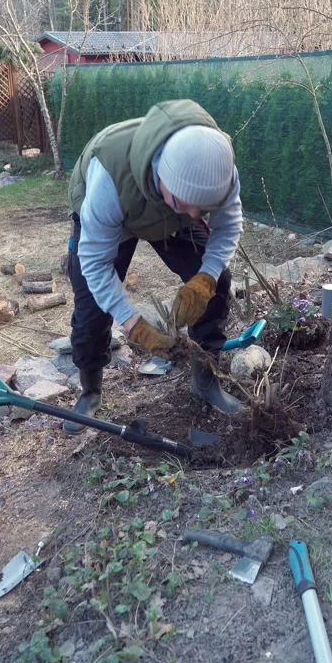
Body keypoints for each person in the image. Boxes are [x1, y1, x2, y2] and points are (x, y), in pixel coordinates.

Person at [65, 98, 244, 435]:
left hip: (164, 214)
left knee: (219, 283)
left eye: (203, 208)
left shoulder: (217, 167)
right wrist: (134, 326)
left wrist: (205, 278)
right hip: (116, 210)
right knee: (91, 311)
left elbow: (229, 226)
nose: (195, 215)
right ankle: (90, 391)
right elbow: (94, 263)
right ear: (163, 178)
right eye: (187, 203)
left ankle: (206, 382)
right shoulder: (108, 181)